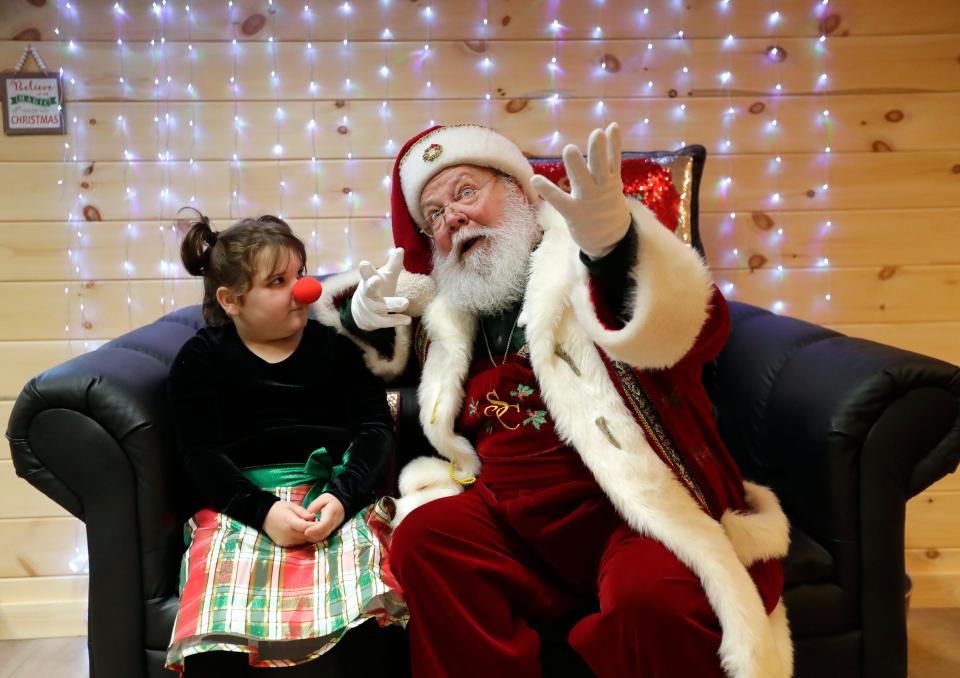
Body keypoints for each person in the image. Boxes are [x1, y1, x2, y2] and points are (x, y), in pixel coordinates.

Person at [316, 123, 794, 678]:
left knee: (651, 598)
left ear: (520, 191)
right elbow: (368, 327)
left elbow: (700, 329)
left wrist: (617, 250)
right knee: (426, 540)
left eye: (466, 192)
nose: (454, 218)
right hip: (511, 516)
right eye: (435, 216)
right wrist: (357, 317)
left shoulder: (586, 250)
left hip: (632, 510)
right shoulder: (452, 307)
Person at [165, 212, 407, 677]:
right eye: (278, 281)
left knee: (371, 600)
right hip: (241, 505)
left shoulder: (336, 348)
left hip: (333, 495)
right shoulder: (201, 358)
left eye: (300, 273)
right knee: (219, 598)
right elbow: (200, 454)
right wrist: (263, 512)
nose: (303, 289)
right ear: (231, 300)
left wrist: (342, 496)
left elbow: (375, 428)